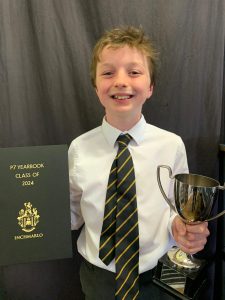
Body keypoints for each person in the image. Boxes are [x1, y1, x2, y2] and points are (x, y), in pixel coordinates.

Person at [68, 26, 209, 300]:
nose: (121, 81)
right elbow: (73, 213)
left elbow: (176, 210)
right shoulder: (78, 149)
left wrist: (181, 227)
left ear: (150, 87)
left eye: (134, 72)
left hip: (158, 275)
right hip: (99, 277)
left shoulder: (172, 145)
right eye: (108, 73)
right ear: (96, 86)